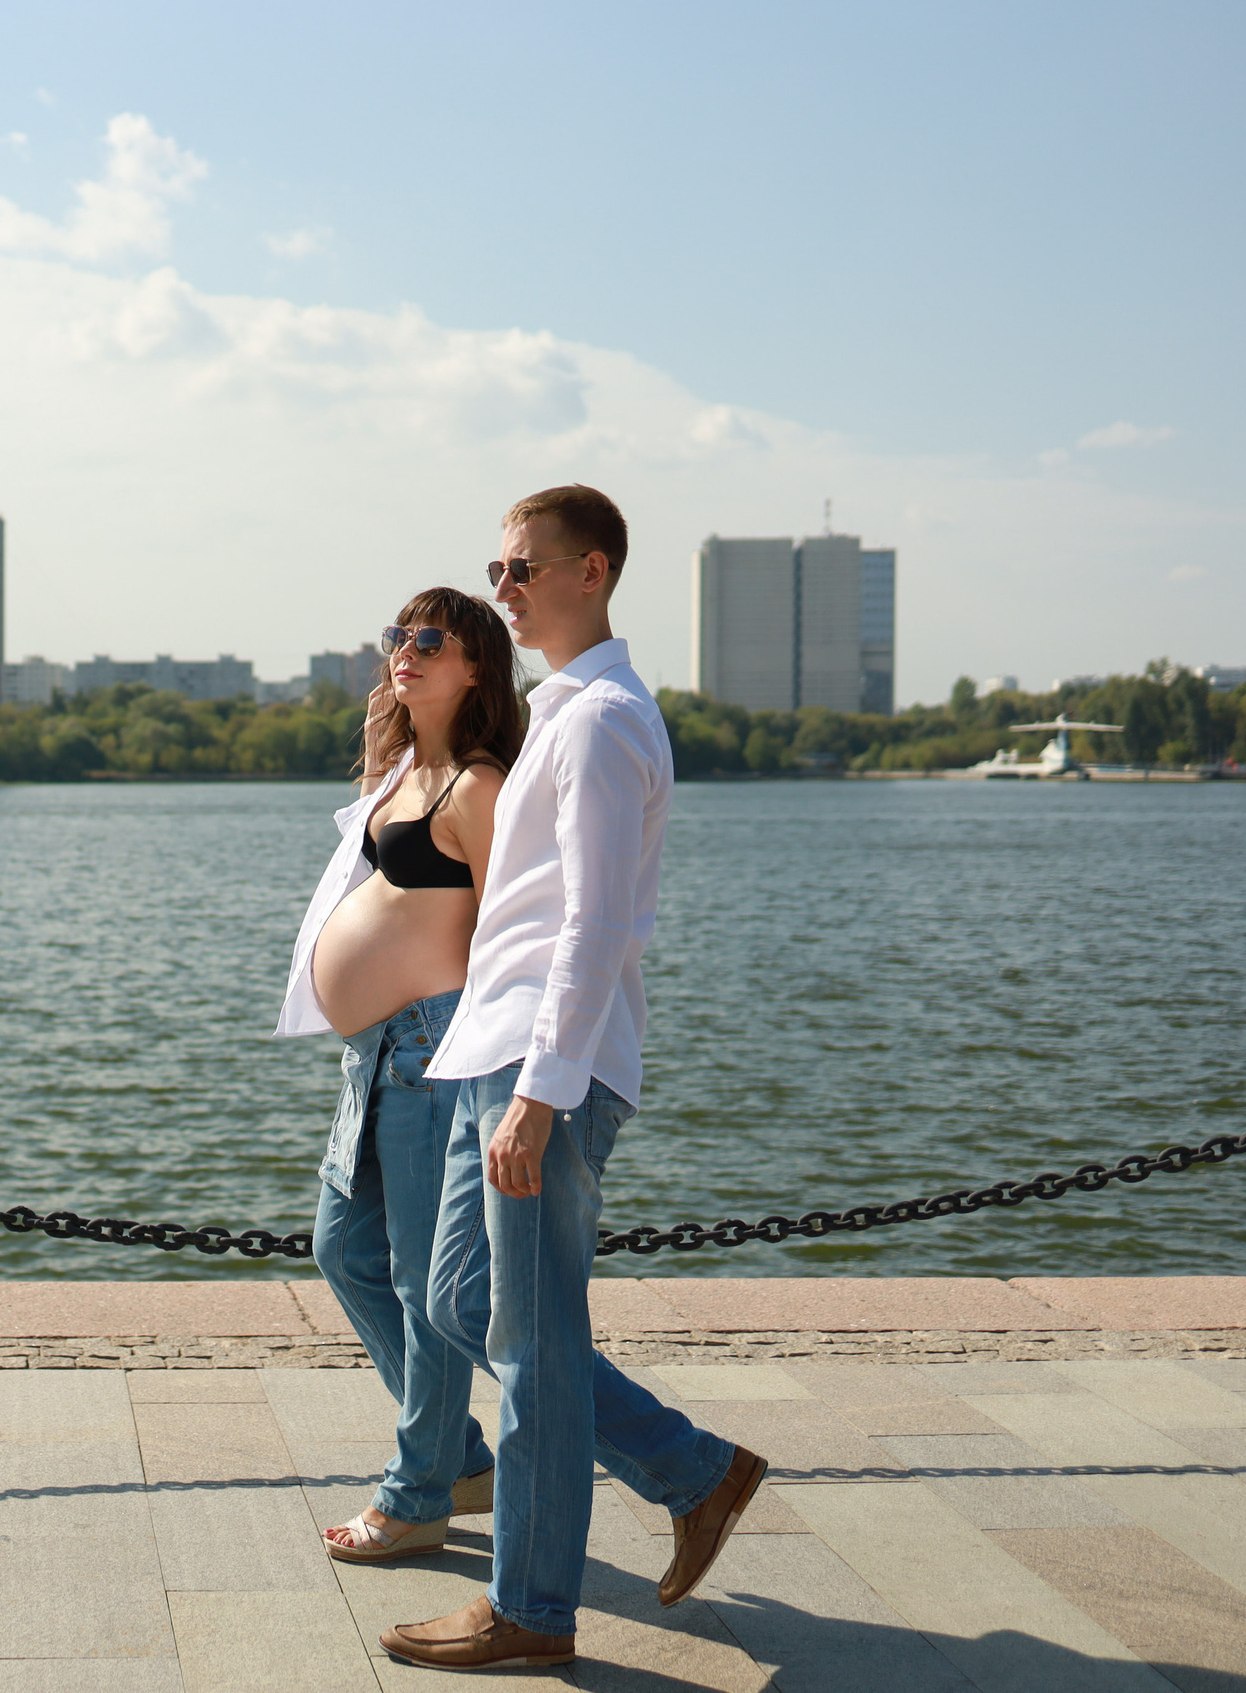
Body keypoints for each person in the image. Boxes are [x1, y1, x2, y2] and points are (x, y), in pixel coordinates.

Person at [382, 486, 769, 1673]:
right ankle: (692, 1471)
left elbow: (597, 925)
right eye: (495, 568)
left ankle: (530, 1609)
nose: (501, 588)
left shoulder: (602, 720)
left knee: (535, 1344)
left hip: (541, 1068)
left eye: (522, 568)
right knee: (461, 1303)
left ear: (590, 571)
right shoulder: (559, 710)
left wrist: (540, 1096)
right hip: (491, 1051)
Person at [276, 586, 524, 1564]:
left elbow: (512, 932)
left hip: (433, 1052)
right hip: (374, 1055)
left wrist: (507, 1075)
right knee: (341, 1251)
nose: (406, 651)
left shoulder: (478, 786)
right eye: (398, 637)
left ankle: (418, 1494)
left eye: (431, 640)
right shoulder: (406, 774)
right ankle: (456, 1456)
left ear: (476, 666)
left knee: (428, 1288)